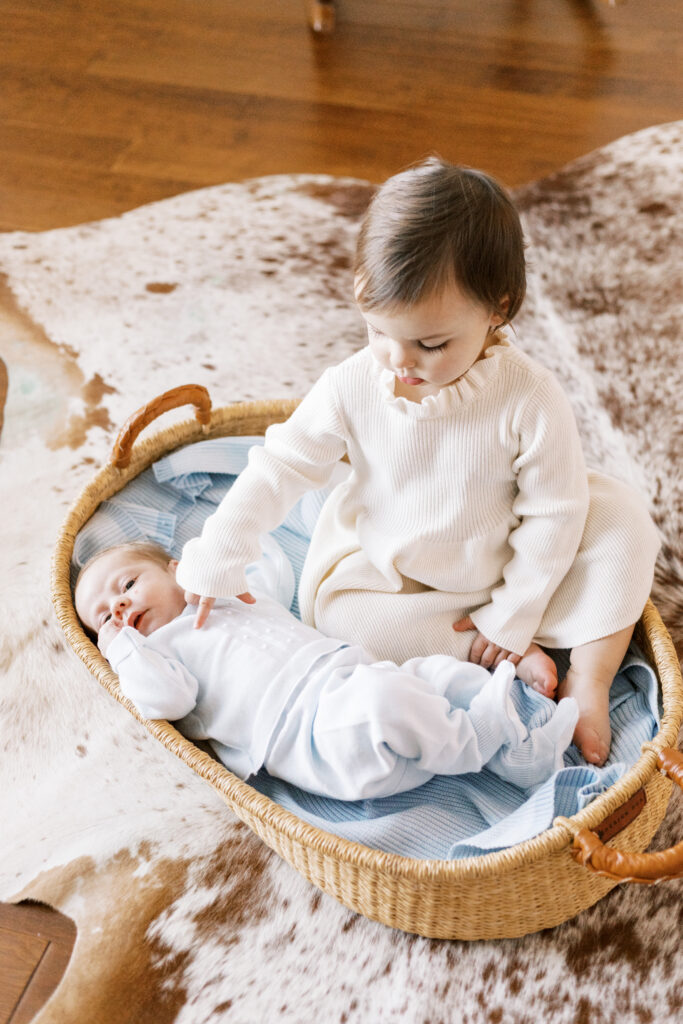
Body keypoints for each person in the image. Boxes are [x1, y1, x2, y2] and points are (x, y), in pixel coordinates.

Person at [175, 158, 660, 767]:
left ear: (497, 311)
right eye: (379, 331)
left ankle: (588, 678)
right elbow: (280, 467)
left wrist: (512, 611)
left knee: (623, 521)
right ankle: (502, 654)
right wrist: (220, 551)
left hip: (511, 559)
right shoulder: (352, 384)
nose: (400, 361)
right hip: (394, 580)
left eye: (431, 344)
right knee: (343, 624)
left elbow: (555, 515)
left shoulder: (530, 396)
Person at [74, 542, 579, 799]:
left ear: (173, 568)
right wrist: (124, 649)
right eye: (104, 618)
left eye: (127, 584)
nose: (118, 607)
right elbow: (165, 701)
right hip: (305, 734)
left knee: (434, 675)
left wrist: (210, 564)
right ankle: (477, 737)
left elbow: (269, 567)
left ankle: (516, 738)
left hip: (346, 674)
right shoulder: (157, 657)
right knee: (387, 706)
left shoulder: (218, 597)